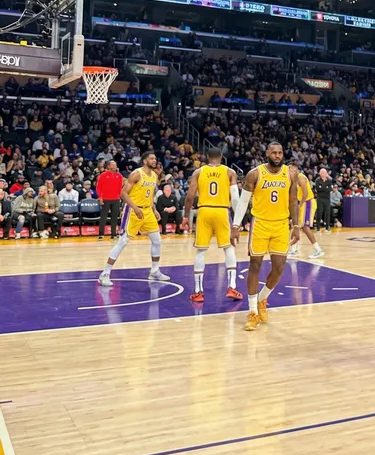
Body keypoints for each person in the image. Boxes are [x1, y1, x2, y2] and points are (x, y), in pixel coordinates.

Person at [231, 142, 300, 332]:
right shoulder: (255, 173)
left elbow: (293, 201)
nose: (277, 155)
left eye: (280, 152)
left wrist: (296, 225)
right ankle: (253, 311)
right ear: (267, 154)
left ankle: (262, 298)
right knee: (255, 265)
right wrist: (235, 225)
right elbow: (244, 201)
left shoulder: (291, 173)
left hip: (280, 225)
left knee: (279, 268)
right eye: (274, 152)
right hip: (260, 223)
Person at [98, 152, 170, 286]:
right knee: (123, 241)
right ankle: (105, 273)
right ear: (144, 161)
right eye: (151, 158)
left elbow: (149, 195)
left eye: (155, 158)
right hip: (133, 211)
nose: (154, 160)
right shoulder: (136, 174)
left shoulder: (154, 175)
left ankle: (154, 271)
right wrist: (136, 208)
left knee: (157, 240)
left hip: (148, 211)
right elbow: (123, 193)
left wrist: (154, 210)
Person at [182, 148, 241, 303]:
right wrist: (237, 221)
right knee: (228, 248)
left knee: (201, 251)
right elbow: (235, 199)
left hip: (204, 211)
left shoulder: (198, 172)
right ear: (221, 157)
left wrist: (186, 216)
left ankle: (198, 292)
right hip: (222, 211)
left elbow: (189, 197)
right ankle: (232, 287)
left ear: (207, 157)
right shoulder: (230, 172)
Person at [288, 169, 324, 259]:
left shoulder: (301, 178)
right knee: (295, 225)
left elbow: (305, 193)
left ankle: (318, 249)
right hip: (304, 203)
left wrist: (300, 205)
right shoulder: (295, 179)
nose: (289, 172)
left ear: (295, 169)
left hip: (308, 203)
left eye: (290, 170)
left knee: (305, 227)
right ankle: (293, 250)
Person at [96, 160, 123, 240]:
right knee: (103, 217)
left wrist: (120, 197)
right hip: (105, 199)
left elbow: (120, 188)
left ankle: (113, 234)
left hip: (116, 199)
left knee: (114, 217)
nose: (115, 166)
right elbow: (98, 187)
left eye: (115, 165)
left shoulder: (119, 176)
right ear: (108, 166)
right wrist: (100, 197)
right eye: (113, 165)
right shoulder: (103, 175)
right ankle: (101, 234)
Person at [314, 167, 333, 232]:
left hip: (327, 198)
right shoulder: (317, 180)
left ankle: (327, 227)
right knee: (319, 212)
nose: (324, 174)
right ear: (320, 173)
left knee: (327, 213)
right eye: (322, 173)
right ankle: (318, 227)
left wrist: (323, 187)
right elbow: (318, 189)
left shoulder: (329, 180)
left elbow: (330, 189)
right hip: (320, 198)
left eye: (325, 173)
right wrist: (325, 187)